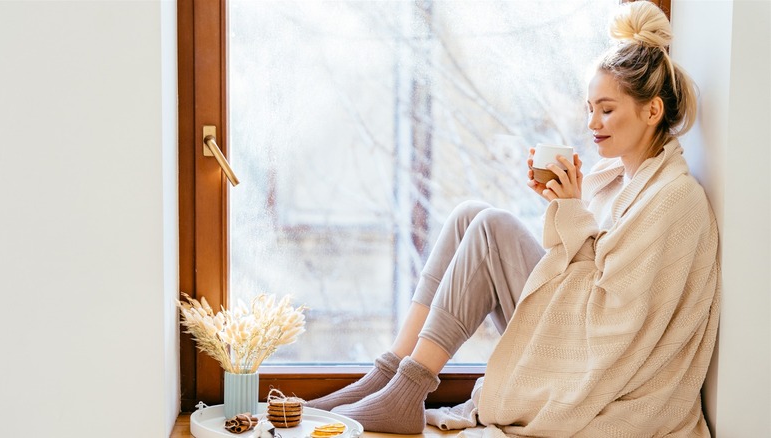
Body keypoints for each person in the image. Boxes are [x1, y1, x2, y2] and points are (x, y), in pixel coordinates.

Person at [307, 1, 720, 436]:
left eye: (606, 109)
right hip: (577, 331)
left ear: (652, 111)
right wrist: (563, 205)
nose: (592, 121)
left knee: (492, 229)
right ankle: (388, 376)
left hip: (598, 363)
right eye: (588, 107)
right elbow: (579, 266)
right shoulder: (614, 177)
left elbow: (615, 317)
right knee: (471, 216)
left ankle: (405, 392)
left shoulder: (674, 199)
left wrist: (570, 210)